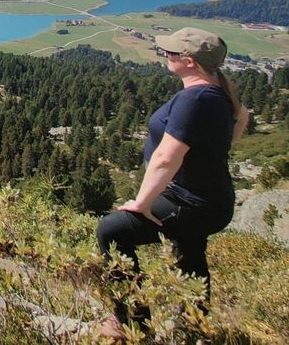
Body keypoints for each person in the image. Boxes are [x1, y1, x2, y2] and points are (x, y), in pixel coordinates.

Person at [95, 27, 249, 340]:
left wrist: (141, 203)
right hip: (208, 199)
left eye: (173, 51)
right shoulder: (214, 91)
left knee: (112, 231)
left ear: (190, 61)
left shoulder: (197, 98)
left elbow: (166, 157)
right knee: (189, 249)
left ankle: (130, 325)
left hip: (191, 200)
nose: (166, 53)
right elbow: (238, 121)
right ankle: (194, 325)